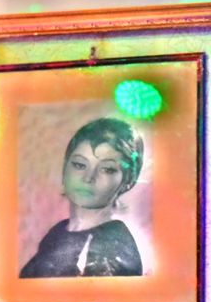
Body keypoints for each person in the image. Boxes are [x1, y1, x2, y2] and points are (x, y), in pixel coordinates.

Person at [20, 118, 144, 279]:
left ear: (128, 181)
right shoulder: (58, 232)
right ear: (65, 168)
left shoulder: (114, 249)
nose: (88, 178)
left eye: (107, 169)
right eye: (79, 165)